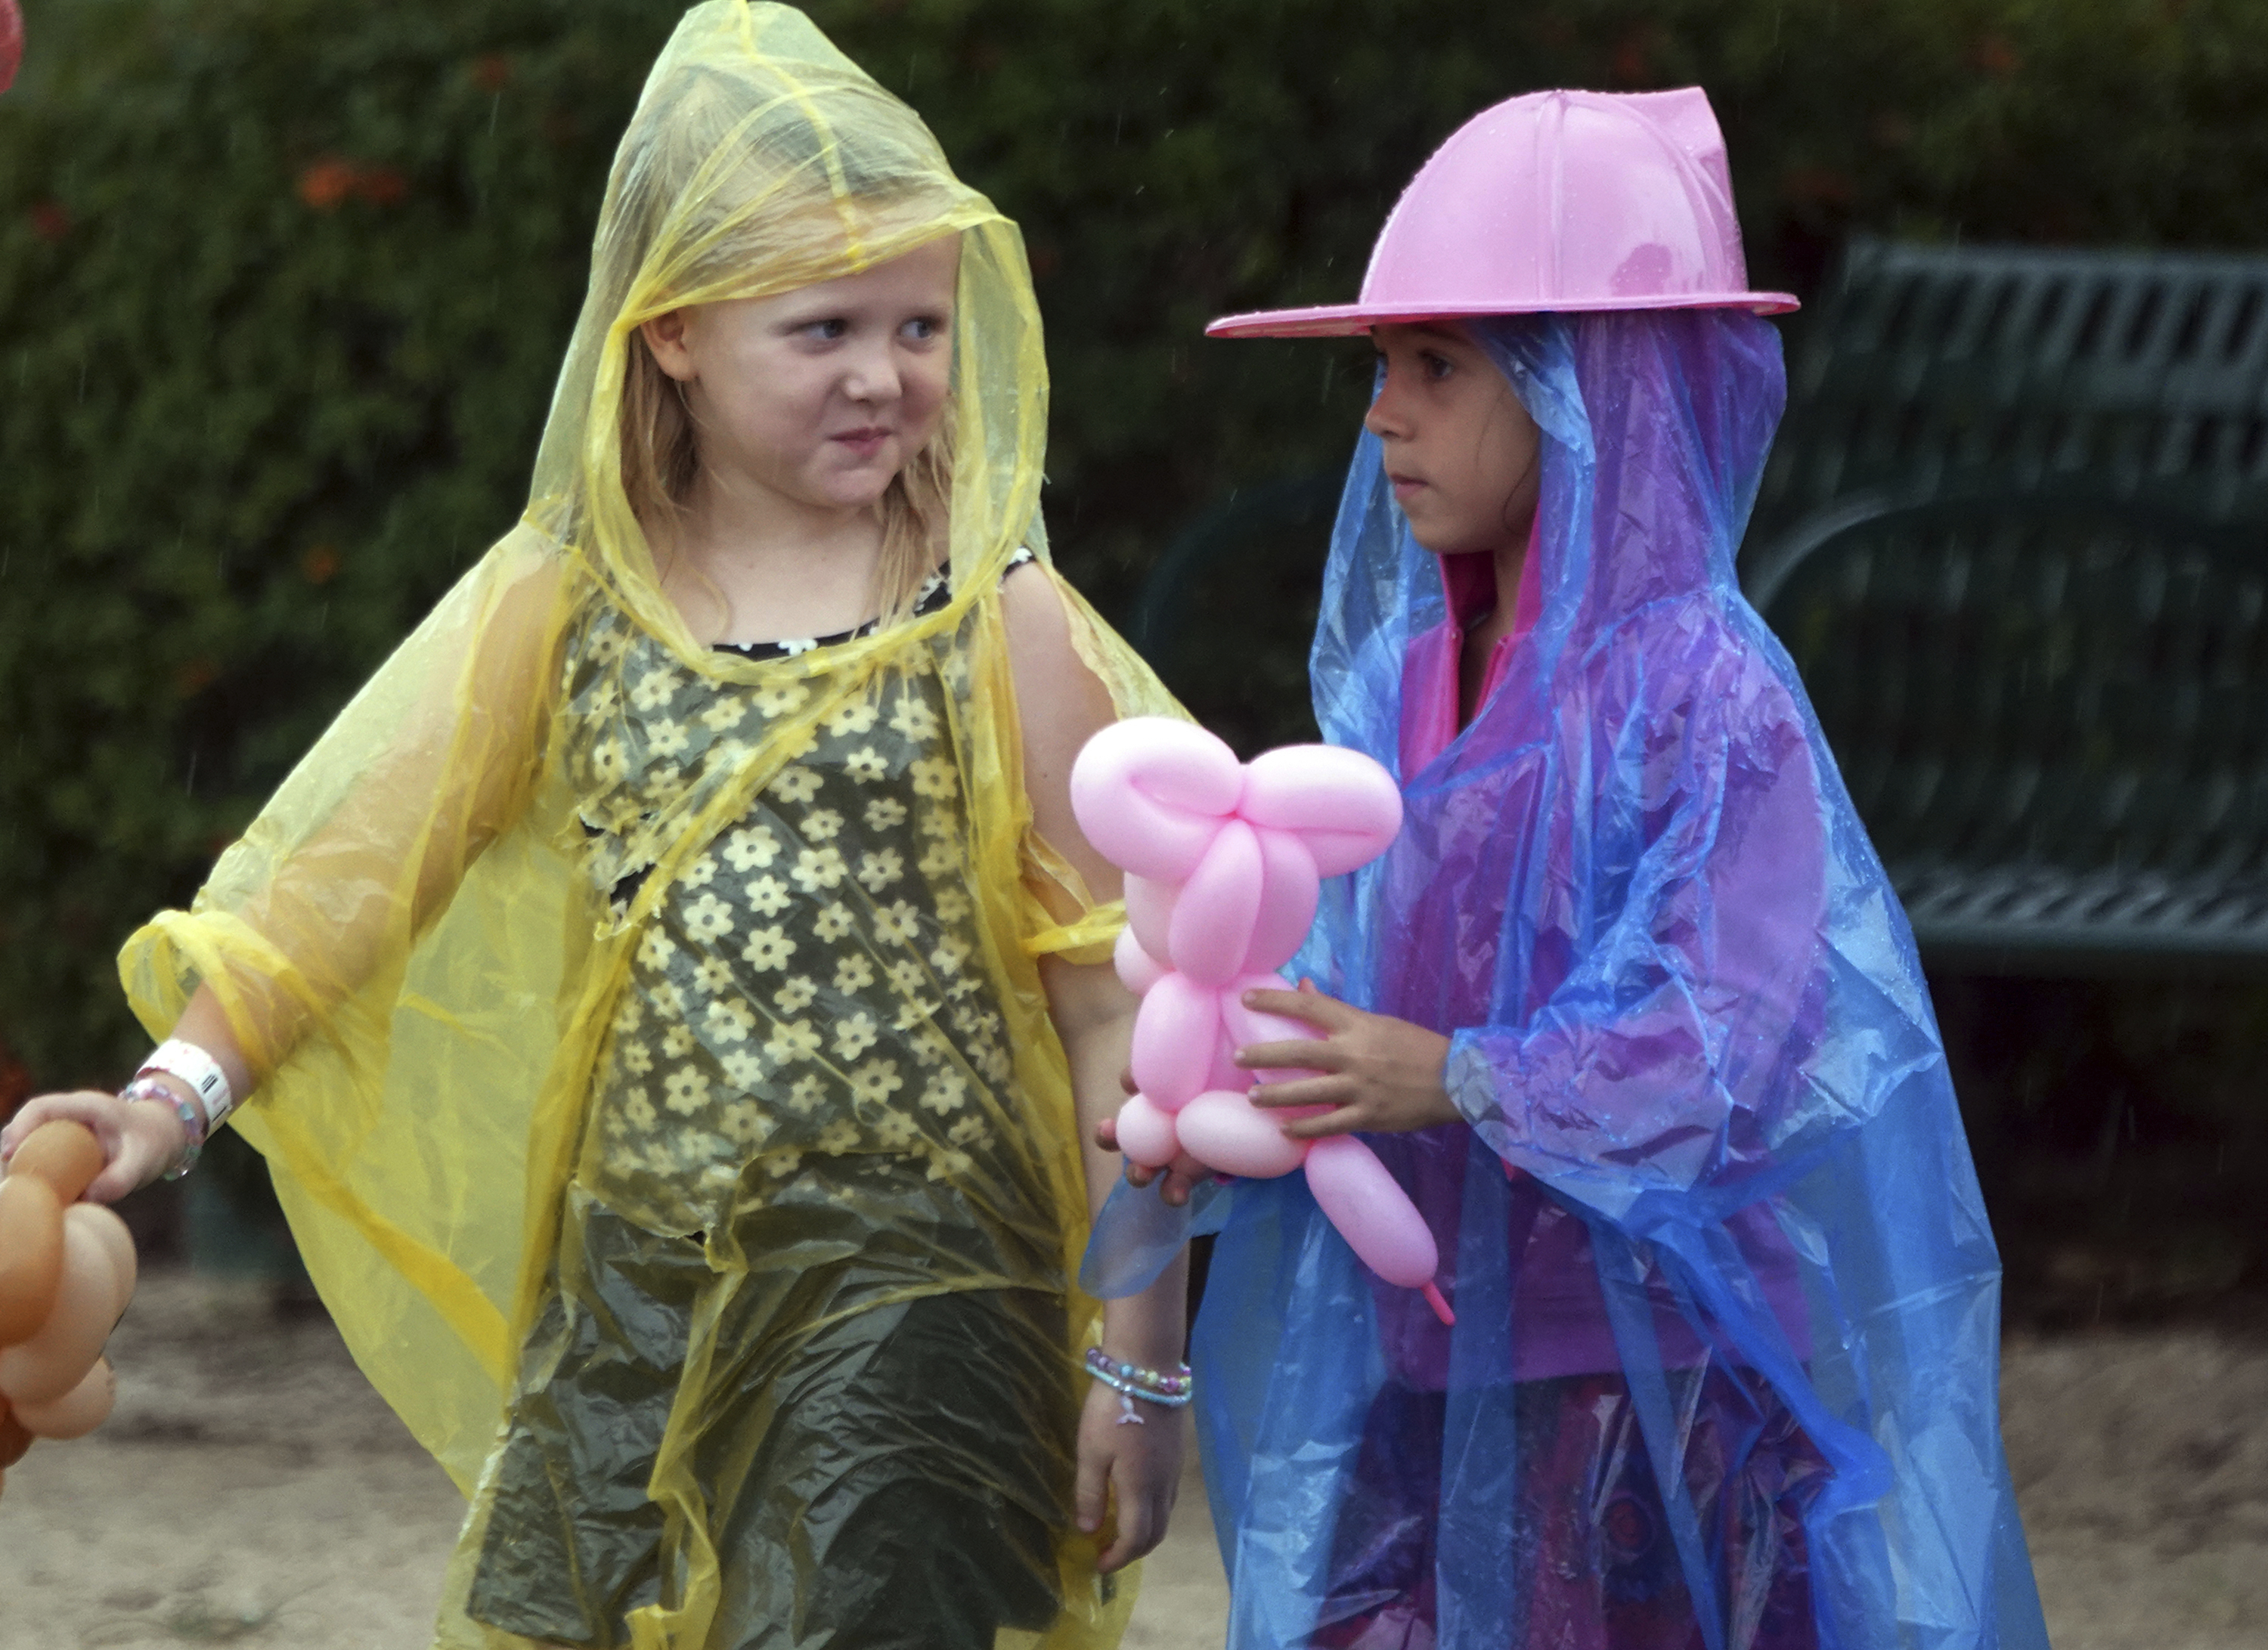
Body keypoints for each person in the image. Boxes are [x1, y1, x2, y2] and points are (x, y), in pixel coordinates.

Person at [0, 6, 1188, 1646]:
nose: (886, 376)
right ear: (676, 332)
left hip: (925, 1287)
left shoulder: (1001, 622)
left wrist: (1137, 1359)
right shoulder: (567, 606)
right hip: (637, 1284)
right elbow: (350, 884)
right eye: (825, 325)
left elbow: (1114, 1006)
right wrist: (171, 1102)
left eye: (922, 326)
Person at [1095, 88, 2050, 1648]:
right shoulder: (1411, 677)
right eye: (1381, 365)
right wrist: (1265, 1088)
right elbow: (1365, 976)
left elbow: (1732, 1045)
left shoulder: (1702, 694)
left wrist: (1459, 1078)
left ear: (1584, 387)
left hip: (1655, 1387)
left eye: (1440, 366)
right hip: (1438, 1361)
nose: (1380, 414)